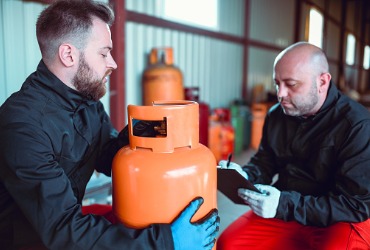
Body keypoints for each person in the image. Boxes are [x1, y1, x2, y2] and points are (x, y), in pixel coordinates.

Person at [0, 1, 219, 249]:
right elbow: (63, 229)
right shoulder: (22, 126)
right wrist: (165, 241)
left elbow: (107, 157)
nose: (113, 63)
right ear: (68, 54)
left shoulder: (87, 103)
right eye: (104, 53)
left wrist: (147, 130)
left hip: (62, 228)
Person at [217, 42, 370, 249]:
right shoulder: (277, 115)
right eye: (277, 83)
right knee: (230, 244)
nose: (280, 94)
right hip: (287, 210)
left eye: (291, 84)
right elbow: (264, 161)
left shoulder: (357, 126)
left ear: (322, 82)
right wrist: (245, 176)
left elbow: (355, 205)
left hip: (337, 218)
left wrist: (283, 204)